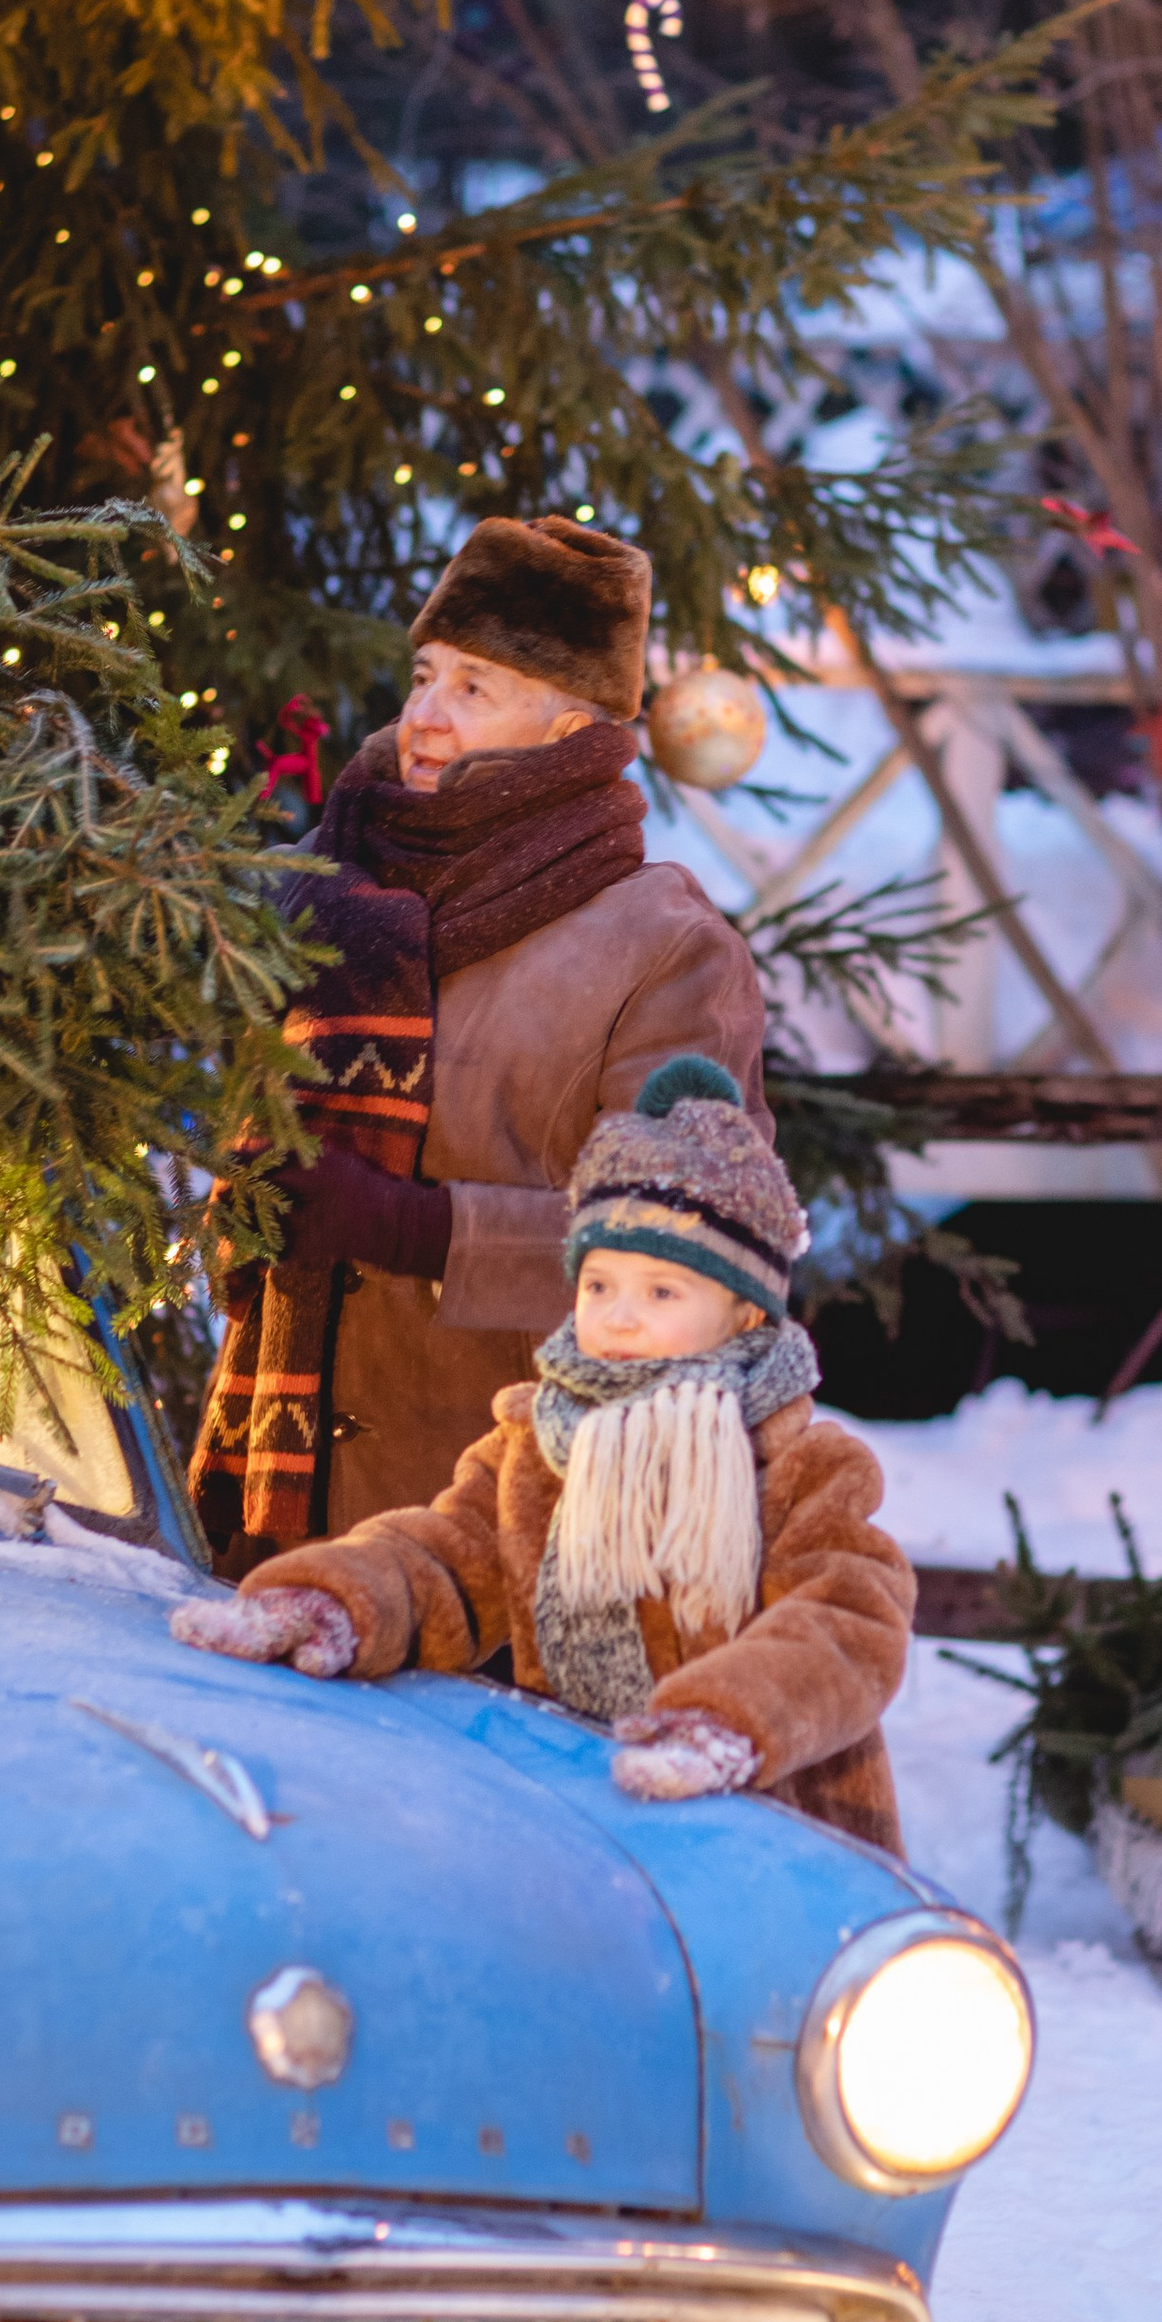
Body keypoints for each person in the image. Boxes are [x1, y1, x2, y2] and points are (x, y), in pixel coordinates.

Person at [188, 516, 767, 1574]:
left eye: (472, 689)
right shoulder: (313, 890)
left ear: (567, 734)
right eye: (423, 675)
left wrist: (419, 1229)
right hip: (275, 1515)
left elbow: (702, 1250)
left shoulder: (665, 947)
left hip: (503, 1541)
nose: (422, 716)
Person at [174, 1058, 911, 1853]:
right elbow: (446, 1559)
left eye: (661, 1293)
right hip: (585, 1827)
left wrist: (724, 1722)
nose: (620, 1318)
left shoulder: (803, 1468)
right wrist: (338, 1599)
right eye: (599, 1285)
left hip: (774, 1838)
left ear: (741, 1317)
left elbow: (849, 1620)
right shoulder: (537, 1446)